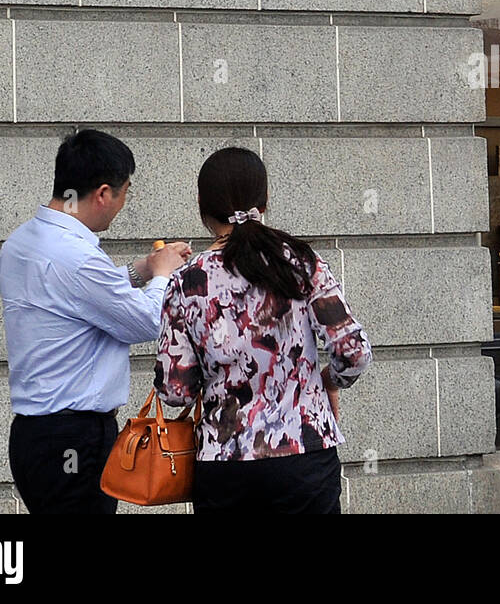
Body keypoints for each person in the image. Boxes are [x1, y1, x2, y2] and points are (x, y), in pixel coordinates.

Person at [154, 146, 372, 513]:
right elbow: (353, 353)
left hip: (224, 467)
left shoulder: (186, 281)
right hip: (304, 455)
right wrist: (327, 382)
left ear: (201, 205)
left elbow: (175, 392)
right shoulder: (303, 263)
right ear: (266, 199)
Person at [0, 129, 191, 513]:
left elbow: (83, 299)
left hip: (34, 435)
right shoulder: (76, 257)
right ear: (104, 194)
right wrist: (165, 275)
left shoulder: (21, 242)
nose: (123, 202)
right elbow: (147, 321)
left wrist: (143, 270)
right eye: (125, 192)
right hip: (74, 440)